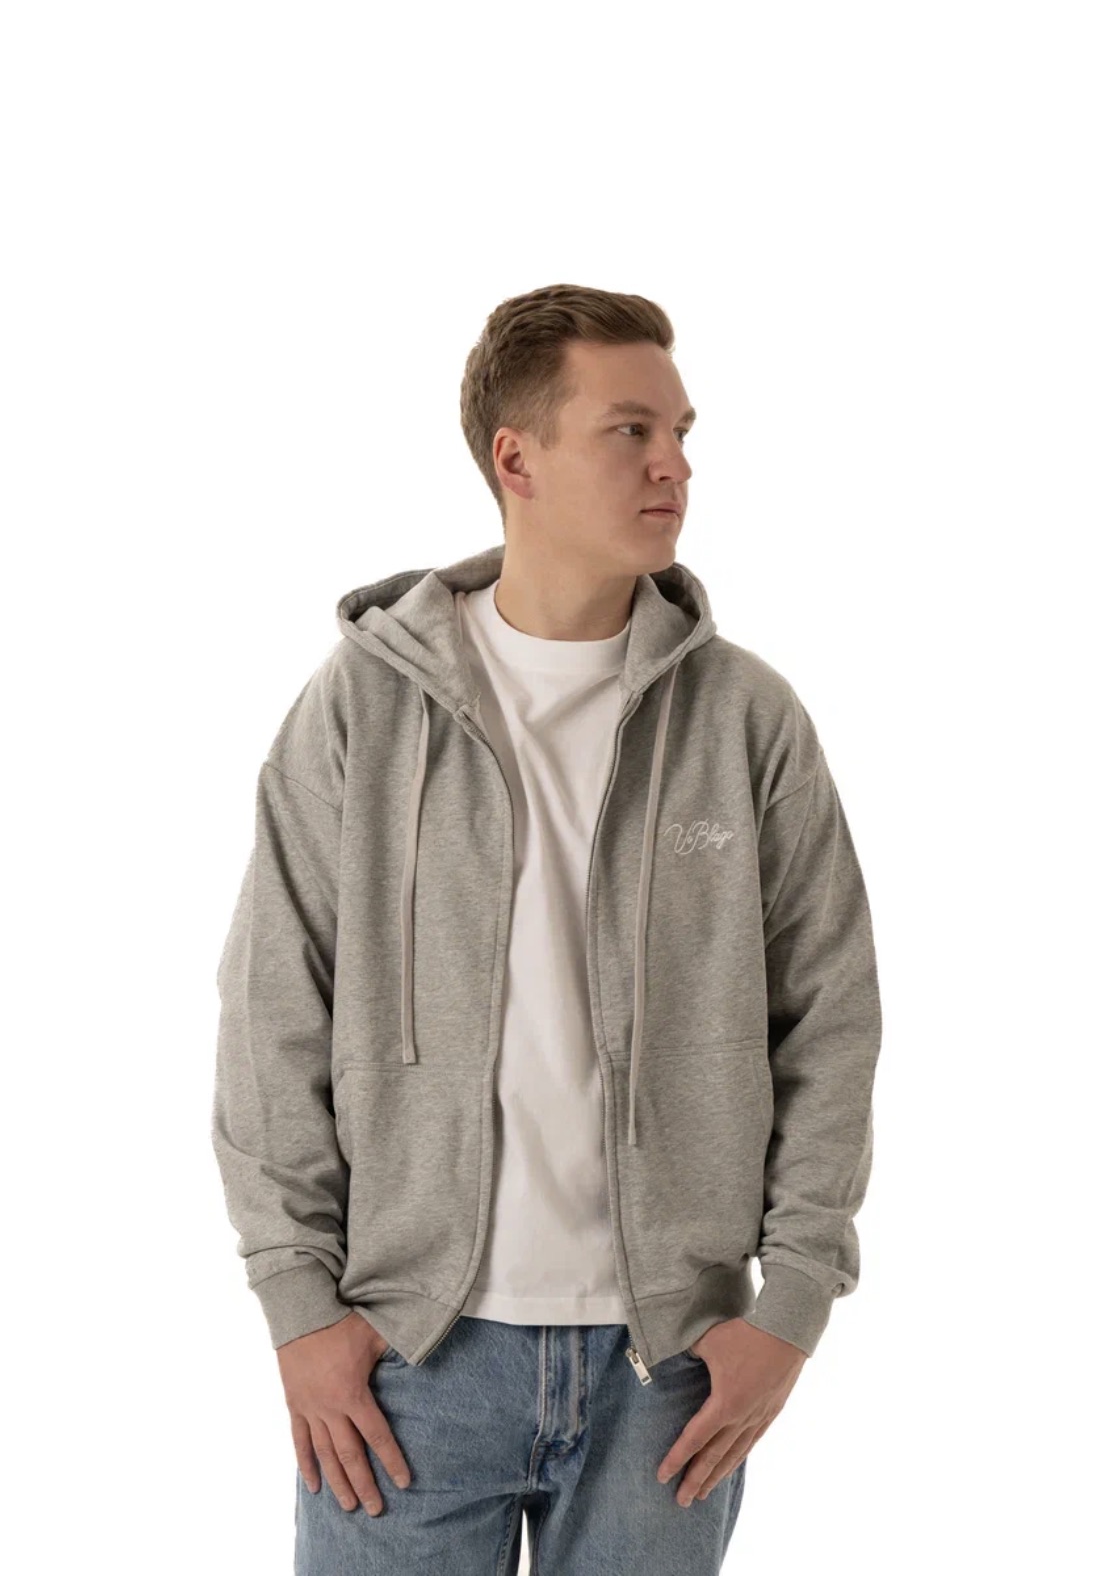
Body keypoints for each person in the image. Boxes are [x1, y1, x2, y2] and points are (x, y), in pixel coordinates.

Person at [211, 283, 883, 1574]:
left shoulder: (745, 718)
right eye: (630, 430)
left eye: (681, 433)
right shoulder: (362, 709)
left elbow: (830, 1015)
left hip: (670, 1368)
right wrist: (298, 1304)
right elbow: (272, 1010)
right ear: (515, 459)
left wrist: (792, 1304)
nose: (674, 464)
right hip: (407, 1358)